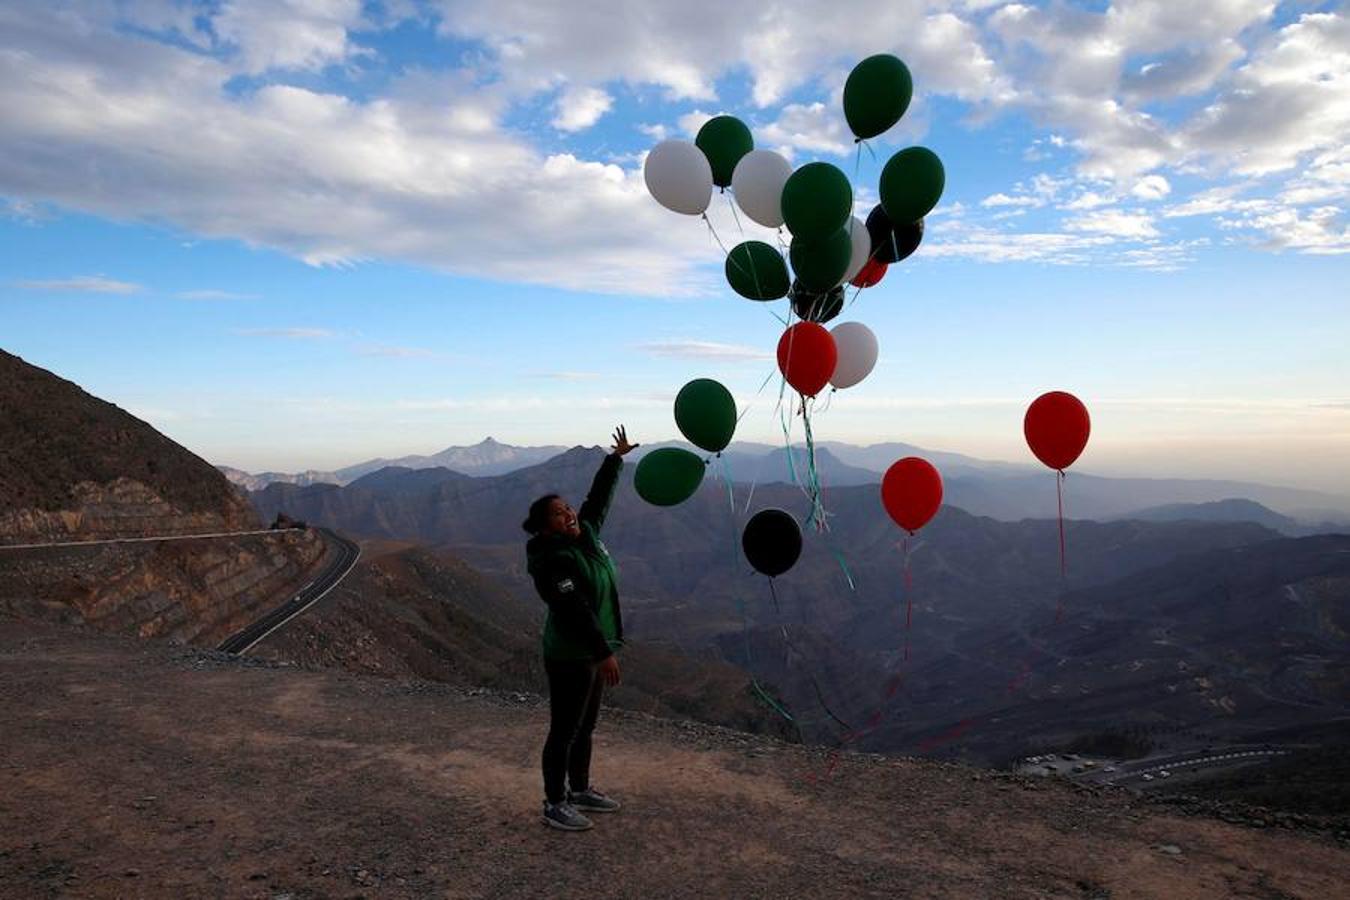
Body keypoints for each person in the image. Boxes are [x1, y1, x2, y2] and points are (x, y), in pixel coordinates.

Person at [523, 425, 639, 832]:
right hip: (572, 654)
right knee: (565, 729)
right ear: (544, 527)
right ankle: (554, 803)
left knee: (586, 726)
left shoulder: (583, 536)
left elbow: (598, 501)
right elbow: (574, 608)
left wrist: (615, 459)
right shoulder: (553, 560)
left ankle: (580, 789)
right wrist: (603, 651)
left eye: (567, 508)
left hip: (592, 650)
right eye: (558, 513)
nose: (569, 513)